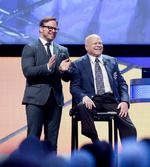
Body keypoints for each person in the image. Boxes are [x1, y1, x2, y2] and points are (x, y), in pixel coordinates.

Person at [70, 34, 137, 143]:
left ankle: (130, 153)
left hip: (110, 99)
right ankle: (96, 141)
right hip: (91, 100)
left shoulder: (112, 61)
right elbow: (74, 87)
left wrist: (125, 101)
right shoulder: (78, 64)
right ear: (86, 47)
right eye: (95, 43)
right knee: (82, 107)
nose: (98, 45)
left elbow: (122, 83)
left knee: (129, 126)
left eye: (100, 43)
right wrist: (84, 97)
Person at [21, 16, 72, 151]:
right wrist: (47, 67)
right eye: (50, 28)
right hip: (35, 100)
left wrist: (63, 71)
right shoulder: (30, 48)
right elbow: (28, 71)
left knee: (52, 140)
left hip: (55, 100)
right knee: (33, 138)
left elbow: (67, 77)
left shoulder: (62, 50)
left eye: (55, 29)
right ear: (40, 29)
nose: (53, 31)